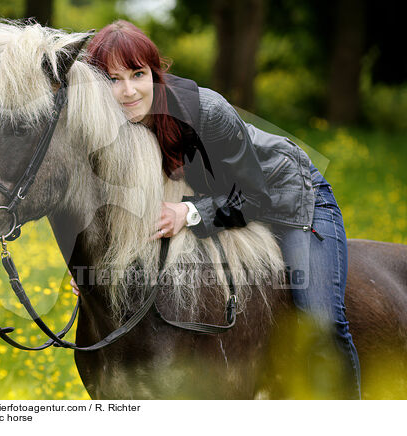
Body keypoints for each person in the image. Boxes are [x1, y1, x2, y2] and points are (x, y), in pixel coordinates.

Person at [70, 20, 361, 399]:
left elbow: (257, 199)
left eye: (138, 74)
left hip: (288, 197)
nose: (127, 91)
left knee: (319, 319)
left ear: (156, 74)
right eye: (113, 78)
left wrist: (187, 214)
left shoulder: (206, 111)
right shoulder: (110, 126)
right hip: (220, 203)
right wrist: (89, 266)